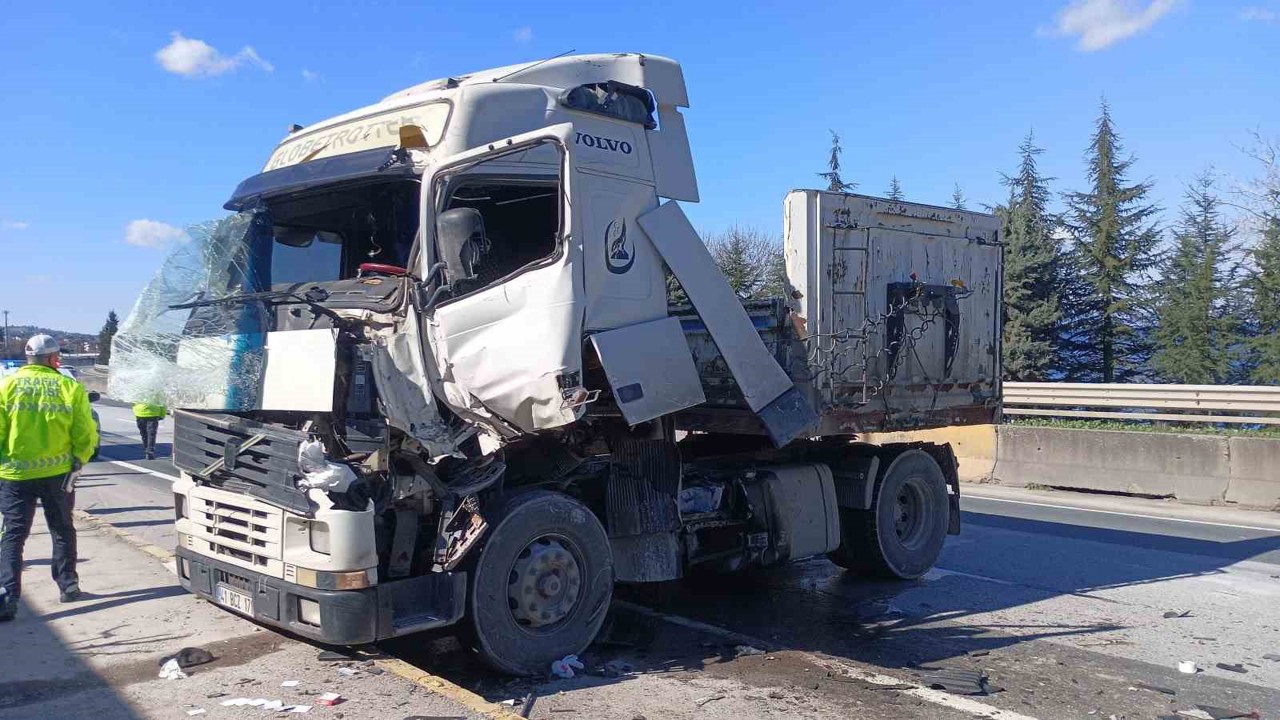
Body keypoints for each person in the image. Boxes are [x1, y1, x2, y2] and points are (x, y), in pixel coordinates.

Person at [0, 334, 98, 621]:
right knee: (62, 529)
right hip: (57, 474)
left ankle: (7, 596)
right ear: (54, 359)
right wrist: (80, 458)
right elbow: (85, 431)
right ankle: (68, 585)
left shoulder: (7, 385)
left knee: (13, 535)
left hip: (14, 475)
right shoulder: (68, 387)